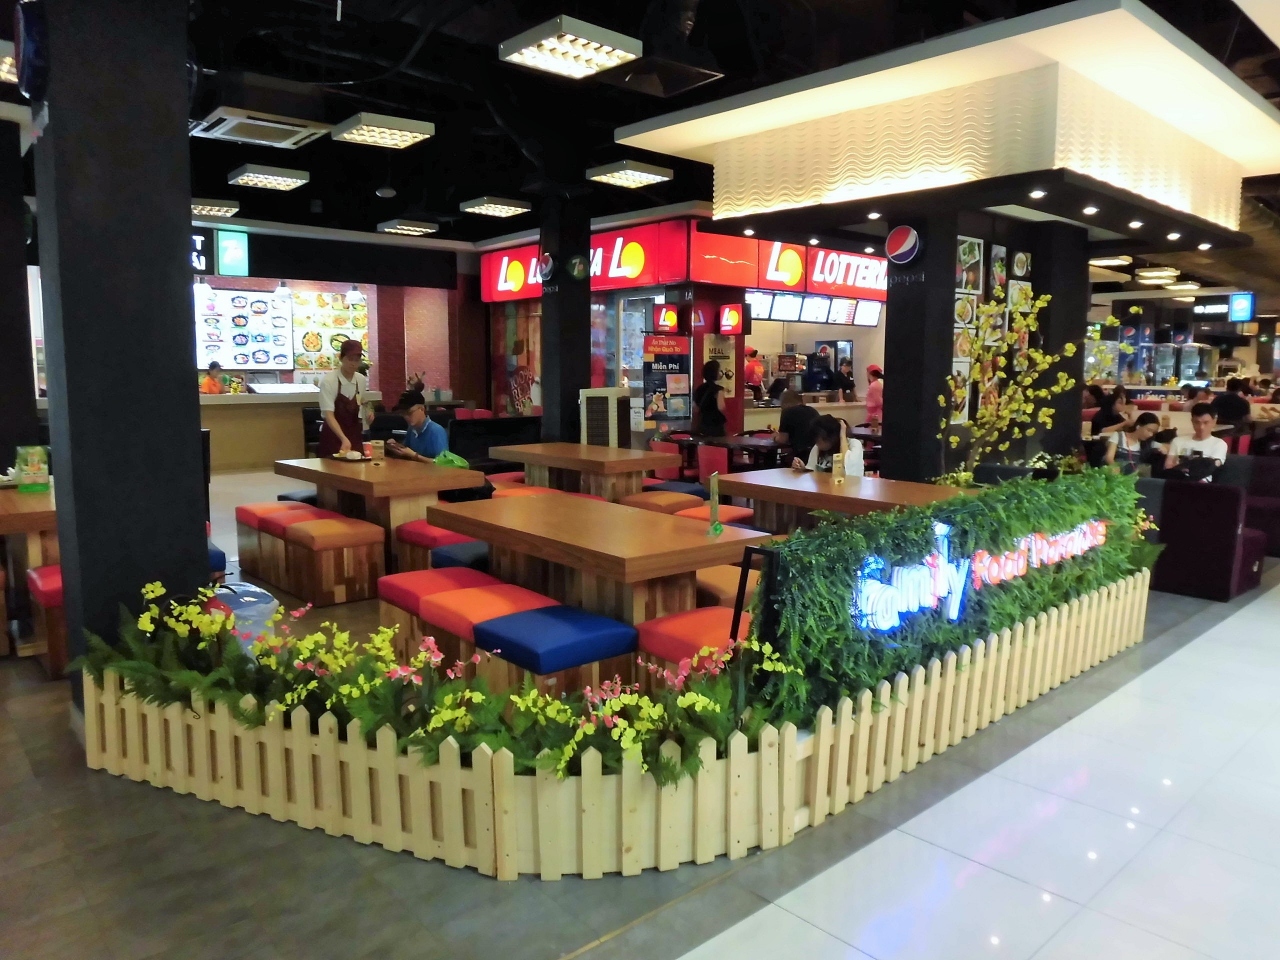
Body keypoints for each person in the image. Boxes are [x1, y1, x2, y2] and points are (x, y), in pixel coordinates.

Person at [316, 339, 370, 457]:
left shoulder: (360, 380)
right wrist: (343, 438)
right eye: (350, 359)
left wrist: (369, 414)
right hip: (333, 436)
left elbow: (362, 402)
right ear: (341, 358)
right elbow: (329, 415)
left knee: (358, 467)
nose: (353, 364)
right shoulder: (329, 381)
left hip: (354, 434)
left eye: (357, 360)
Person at [1164, 402, 1229, 478]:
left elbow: (1212, 467)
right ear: (1192, 421)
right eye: (1197, 422)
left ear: (1214, 421)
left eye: (1206, 423)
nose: (1201, 427)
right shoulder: (1178, 441)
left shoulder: (1219, 444)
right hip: (1177, 480)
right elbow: (1168, 466)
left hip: (1201, 482)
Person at [386, 390, 448, 462]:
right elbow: (407, 450)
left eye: (409, 413)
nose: (406, 417)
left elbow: (443, 463)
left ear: (422, 409)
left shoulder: (436, 431)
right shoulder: (412, 429)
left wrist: (415, 456)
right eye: (403, 413)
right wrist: (396, 446)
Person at [774, 390, 820, 462]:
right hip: (816, 452)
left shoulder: (787, 412)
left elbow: (782, 440)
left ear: (785, 403)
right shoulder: (813, 411)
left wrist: (775, 437)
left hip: (800, 455)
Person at [692, 360, 727, 437]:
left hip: (702, 424)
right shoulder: (719, 389)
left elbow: (695, 408)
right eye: (719, 370)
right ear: (715, 373)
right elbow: (721, 407)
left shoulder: (700, 388)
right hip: (715, 425)